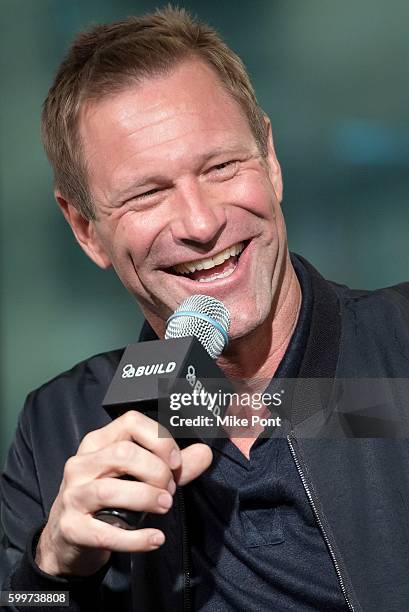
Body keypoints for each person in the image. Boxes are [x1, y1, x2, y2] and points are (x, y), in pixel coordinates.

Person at [1, 7, 408, 612]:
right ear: (86, 230)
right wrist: (53, 568)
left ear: (270, 160)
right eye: (147, 194)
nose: (201, 223)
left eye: (221, 167)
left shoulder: (396, 348)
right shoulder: (59, 424)